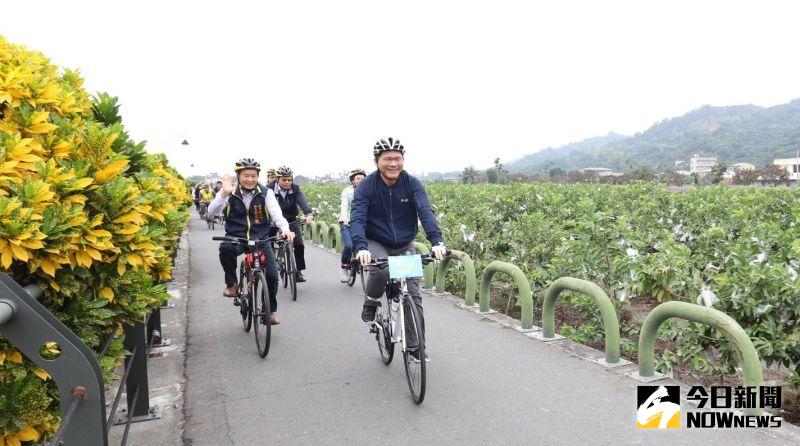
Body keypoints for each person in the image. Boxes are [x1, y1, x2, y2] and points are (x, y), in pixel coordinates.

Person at [350, 138, 447, 360]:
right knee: (382, 269)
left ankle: (415, 348)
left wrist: (437, 242)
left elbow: (425, 212)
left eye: (397, 159)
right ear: (377, 162)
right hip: (376, 241)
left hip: (404, 244)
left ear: (403, 160)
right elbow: (357, 217)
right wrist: (360, 247)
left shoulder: (412, 184)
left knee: (412, 294)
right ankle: (372, 301)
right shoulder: (366, 186)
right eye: (387, 159)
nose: (393, 164)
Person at [207, 158, 295, 325]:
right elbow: (212, 212)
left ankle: (269, 312)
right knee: (225, 248)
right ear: (238, 176)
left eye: (253, 176)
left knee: (272, 275)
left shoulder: (265, 193)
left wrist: (285, 229)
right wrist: (224, 193)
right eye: (246, 175)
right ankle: (232, 284)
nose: (250, 179)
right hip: (237, 237)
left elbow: (277, 214)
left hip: (261, 238)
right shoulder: (229, 192)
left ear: (258, 177)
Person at [268, 166, 314, 282]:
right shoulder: (269, 189)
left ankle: (298, 271)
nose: (287, 182)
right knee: (267, 244)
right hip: (272, 221)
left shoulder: (295, 189)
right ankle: (269, 267)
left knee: (299, 244)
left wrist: (308, 213)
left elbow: (301, 201)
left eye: (289, 180)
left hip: (290, 219)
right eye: (284, 180)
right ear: (277, 179)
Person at [338, 168, 367, 282]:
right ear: (352, 181)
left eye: (362, 178)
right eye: (357, 178)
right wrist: (344, 218)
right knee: (349, 246)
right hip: (347, 222)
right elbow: (344, 206)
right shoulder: (347, 192)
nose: (360, 180)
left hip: (362, 222)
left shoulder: (369, 190)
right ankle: (345, 267)